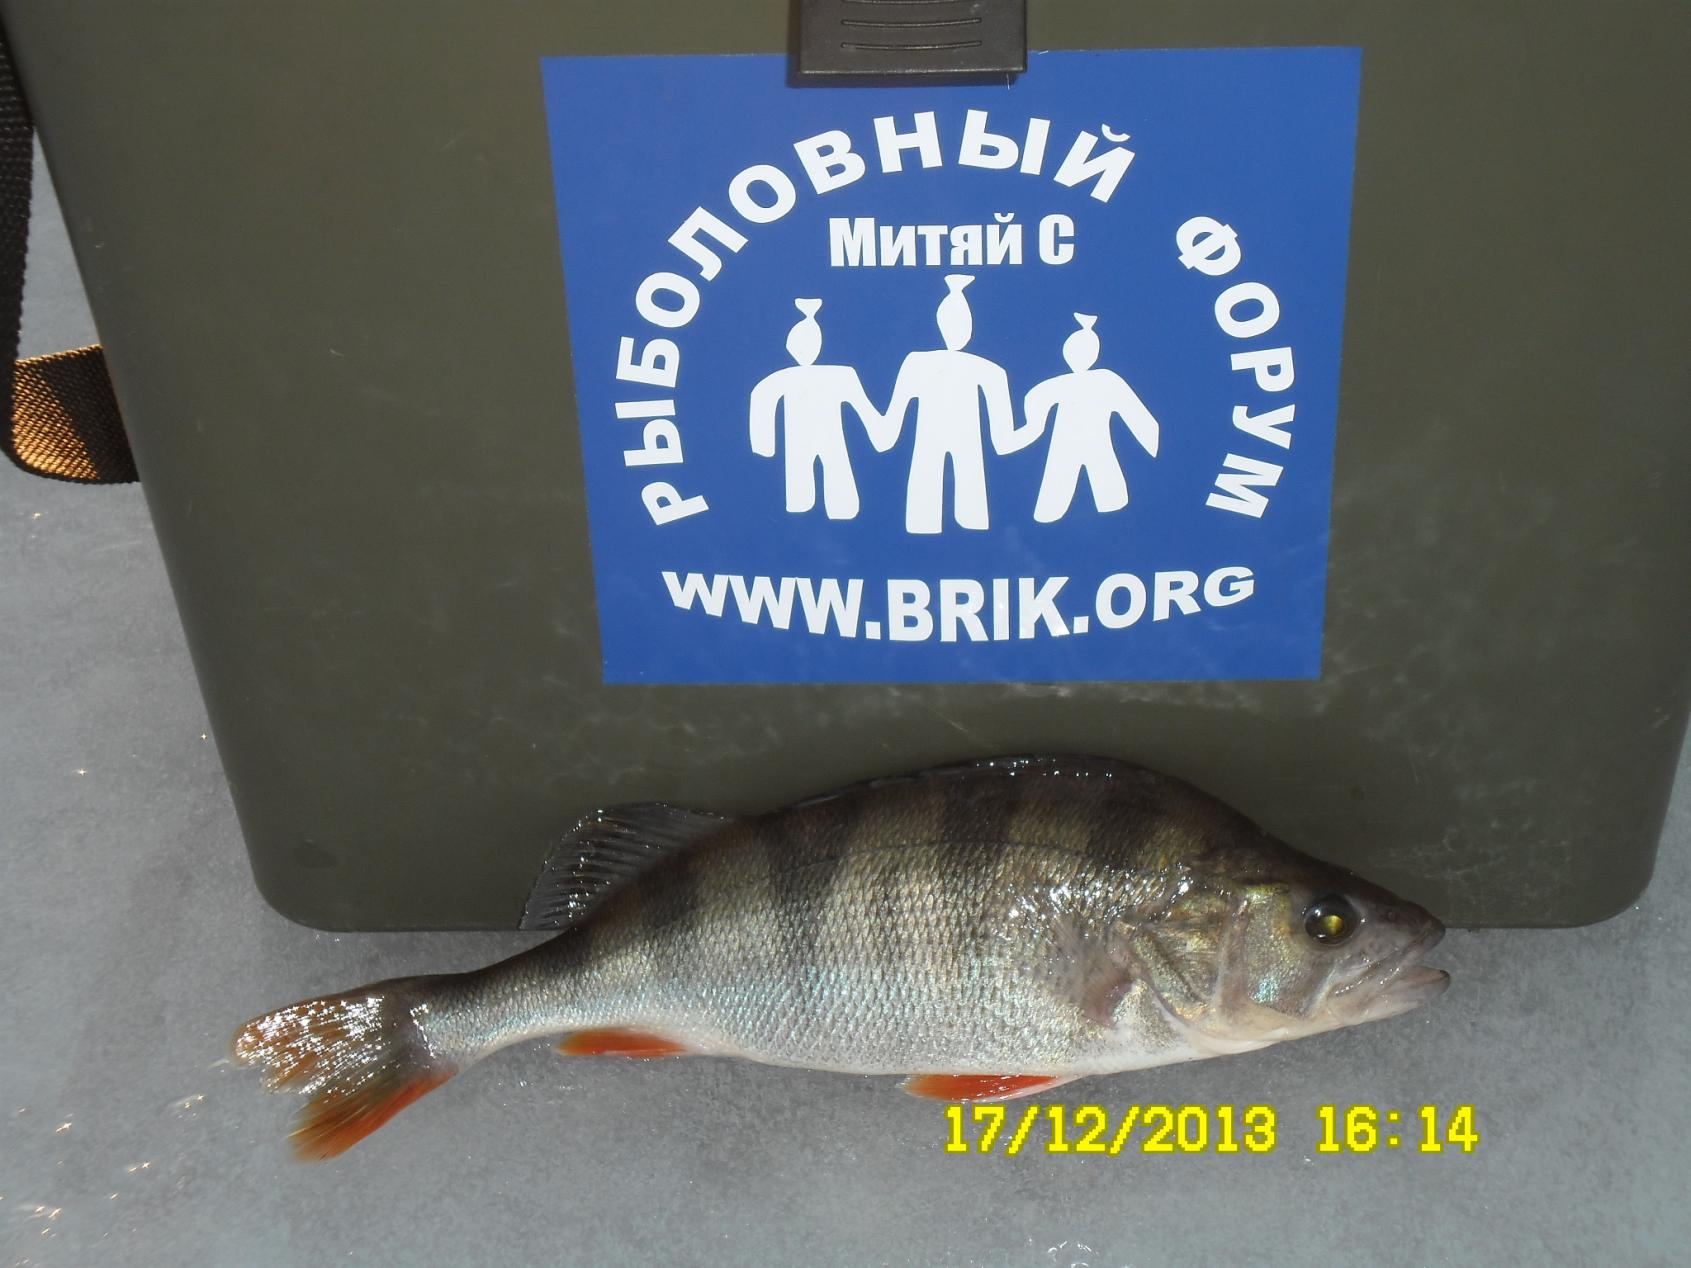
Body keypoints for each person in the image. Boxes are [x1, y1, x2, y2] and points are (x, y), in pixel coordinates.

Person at [878, 275, 1031, 534]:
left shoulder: (918, 364)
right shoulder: (989, 371)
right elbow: (1005, 442)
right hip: (961, 462)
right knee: (964, 516)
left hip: (941, 462)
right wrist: (1036, 425)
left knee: (929, 517)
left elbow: (887, 433)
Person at [748, 298, 882, 520]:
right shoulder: (840, 375)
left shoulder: (835, 376)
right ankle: (823, 510)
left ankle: (825, 509)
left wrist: (765, 446)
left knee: (820, 476)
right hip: (807, 441)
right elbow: (762, 398)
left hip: (814, 440)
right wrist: (764, 445)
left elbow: (761, 398)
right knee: (813, 478)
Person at [1021, 313, 1160, 523]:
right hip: (1072, 449)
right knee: (1069, 495)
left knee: (1107, 496)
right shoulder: (1103, 380)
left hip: (1084, 447)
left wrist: (1153, 442)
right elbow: (1141, 419)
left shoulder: (1099, 381)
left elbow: (1139, 418)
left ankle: (1116, 523)